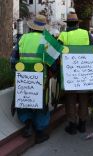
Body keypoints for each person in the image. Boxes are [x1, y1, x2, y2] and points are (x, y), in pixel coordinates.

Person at [58, 13, 93, 135]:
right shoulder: (85, 33)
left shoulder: (63, 35)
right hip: (85, 74)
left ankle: (72, 125)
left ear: (67, 24)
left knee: (70, 100)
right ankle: (82, 124)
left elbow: (57, 51)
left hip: (69, 75)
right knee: (83, 99)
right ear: (78, 23)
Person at [10, 15, 50, 144]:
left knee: (24, 100)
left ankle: (27, 126)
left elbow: (13, 59)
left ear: (32, 27)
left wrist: (16, 70)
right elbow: (52, 62)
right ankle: (39, 132)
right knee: (40, 102)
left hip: (23, 76)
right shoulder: (46, 40)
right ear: (43, 28)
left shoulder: (23, 38)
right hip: (40, 77)